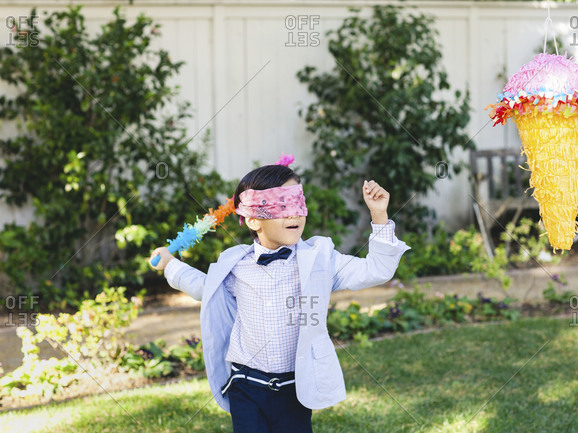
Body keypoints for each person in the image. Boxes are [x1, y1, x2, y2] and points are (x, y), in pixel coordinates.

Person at [149, 164, 410, 432]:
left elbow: (376, 270)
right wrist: (170, 264)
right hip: (246, 386)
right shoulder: (236, 264)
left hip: (294, 388)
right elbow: (205, 286)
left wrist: (379, 215)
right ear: (253, 219)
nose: (293, 213)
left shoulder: (320, 259)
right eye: (281, 206)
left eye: (298, 203)